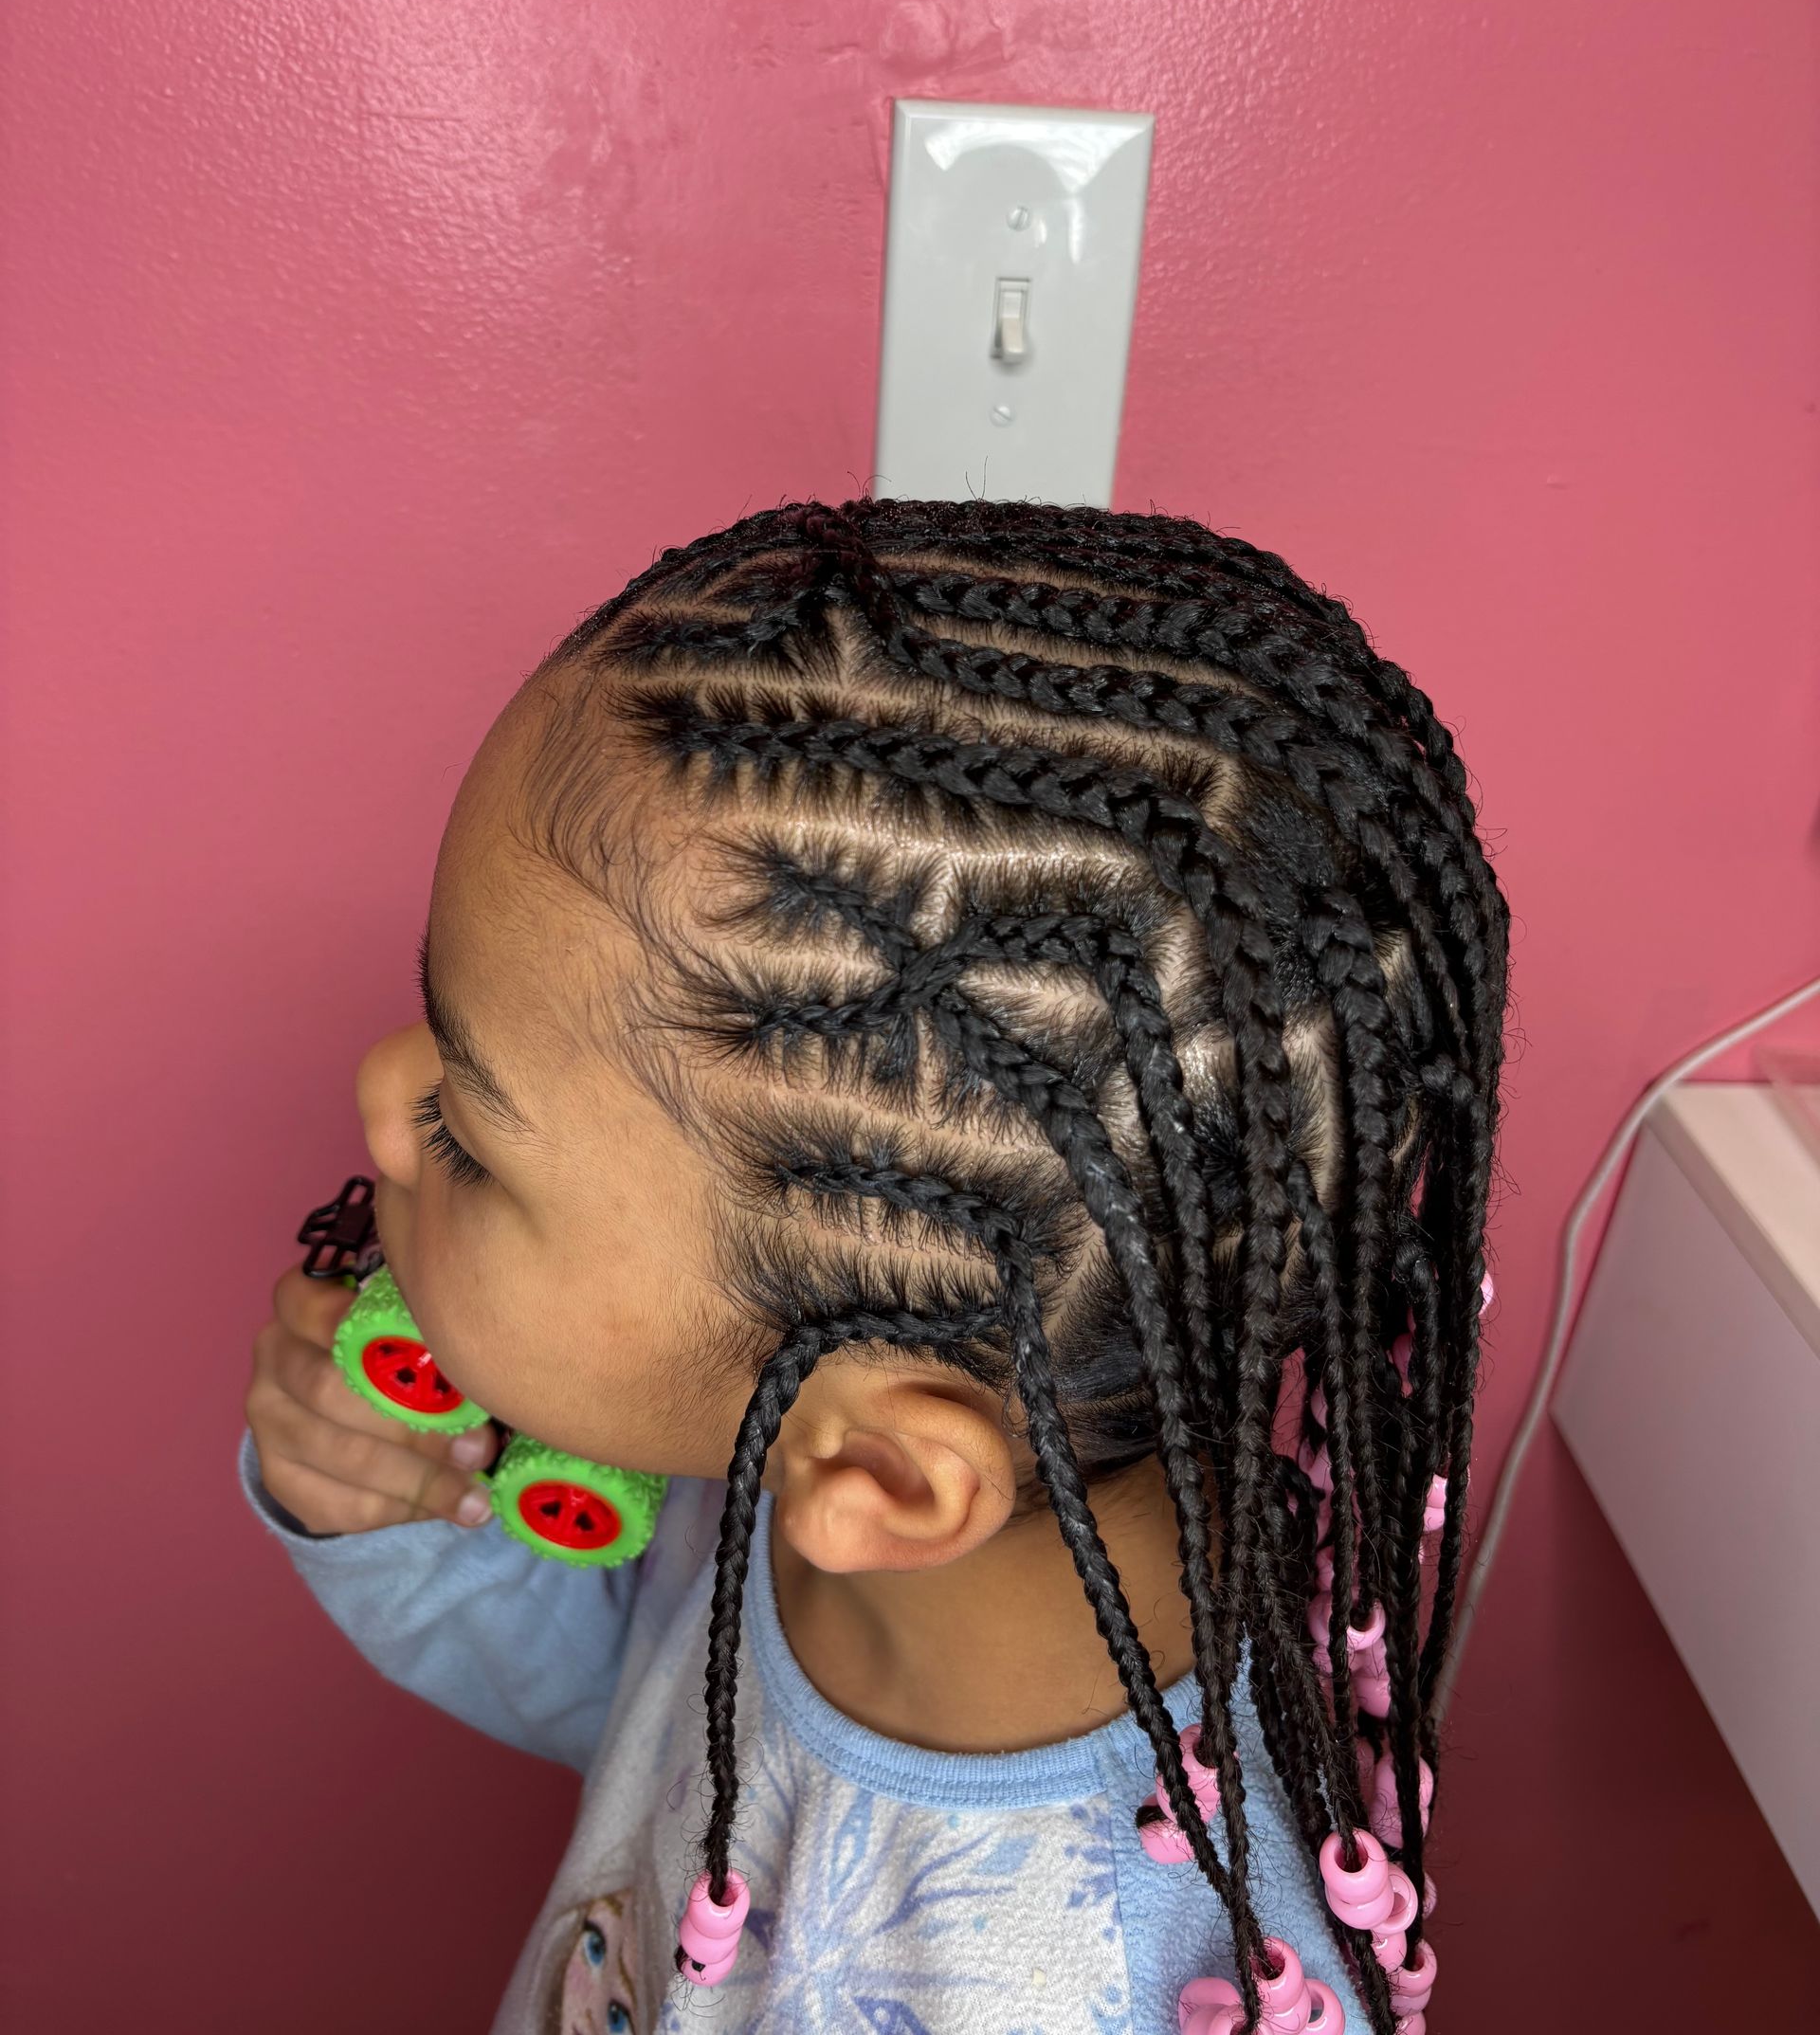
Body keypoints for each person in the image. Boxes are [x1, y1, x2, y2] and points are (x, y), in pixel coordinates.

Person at [242, 498, 1504, 2035]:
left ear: (892, 1482)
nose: (383, 1094)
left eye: (469, 1130)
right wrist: (395, 1519)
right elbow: (641, 1723)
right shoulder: (838, 1451)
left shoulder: (1079, 1988)